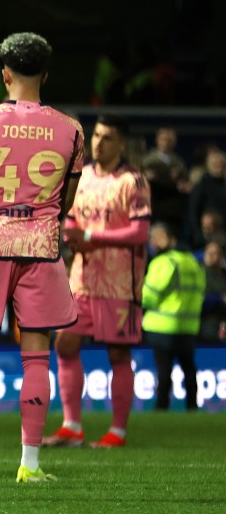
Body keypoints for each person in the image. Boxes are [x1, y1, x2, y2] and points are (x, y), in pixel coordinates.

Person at [0, 33, 84, 484]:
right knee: (36, 356)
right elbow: (66, 203)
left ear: (4, 74)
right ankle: (30, 464)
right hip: (42, 248)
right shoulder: (72, 130)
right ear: (45, 74)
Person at [43, 114, 151, 449]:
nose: (98, 143)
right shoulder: (83, 176)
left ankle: (117, 431)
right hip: (83, 279)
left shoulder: (134, 181)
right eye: (96, 135)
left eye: (107, 138)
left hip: (121, 284)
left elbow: (141, 232)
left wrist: (90, 234)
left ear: (121, 144)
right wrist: (72, 234)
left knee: (118, 354)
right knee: (64, 344)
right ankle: (72, 425)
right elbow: (72, 217)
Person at [142, 223, 205, 410]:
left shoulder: (164, 262)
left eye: (157, 236)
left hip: (163, 326)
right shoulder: (194, 262)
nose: (153, 241)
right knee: (189, 368)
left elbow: (147, 296)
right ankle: (192, 406)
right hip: (189, 326)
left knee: (164, 371)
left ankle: (162, 406)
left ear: (171, 239)